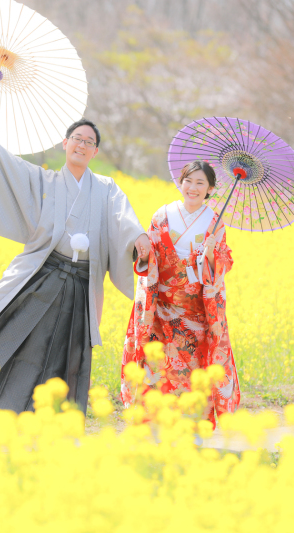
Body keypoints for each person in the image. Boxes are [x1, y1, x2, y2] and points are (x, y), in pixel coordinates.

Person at [0, 111, 150, 414]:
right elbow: (10, 166)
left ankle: (42, 412)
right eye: (77, 139)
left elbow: (122, 215)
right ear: (65, 143)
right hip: (42, 273)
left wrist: (138, 235)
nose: (82, 145)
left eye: (89, 142)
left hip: (81, 284)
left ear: (95, 151)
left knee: (56, 349)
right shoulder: (44, 179)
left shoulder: (107, 188)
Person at [121, 160, 240, 425]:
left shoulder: (214, 222)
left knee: (192, 368)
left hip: (194, 311)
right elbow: (148, 255)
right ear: (180, 182)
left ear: (210, 188)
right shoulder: (162, 215)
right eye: (188, 180)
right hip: (161, 307)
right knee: (157, 363)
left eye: (200, 183)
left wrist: (211, 254)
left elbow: (224, 263)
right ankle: (154, 420)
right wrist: (144, 253)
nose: (193, 188)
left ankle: (191, 422)